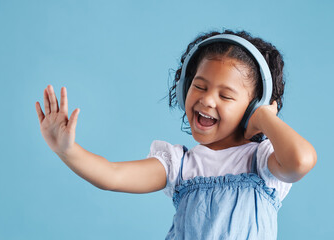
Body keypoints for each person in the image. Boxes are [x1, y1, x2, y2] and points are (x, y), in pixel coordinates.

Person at [35, 29, 317, 239]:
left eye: (226, 96)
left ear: (254, 107)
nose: (207, 100)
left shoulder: (262, 162)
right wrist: (67, 150)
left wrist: (265, 117)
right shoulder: (180, 165)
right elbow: (112, 175)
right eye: (200, 86)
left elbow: (300, 161)